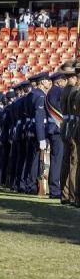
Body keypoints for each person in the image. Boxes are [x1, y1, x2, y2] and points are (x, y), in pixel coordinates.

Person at [46, 70, 68, 198]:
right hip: (57, 129)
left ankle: (54, 188)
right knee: (57, 160)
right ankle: (55, 189)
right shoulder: (58, 91)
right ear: (60, 81)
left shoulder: (50, 92)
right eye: (64, 80)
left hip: (52, 128)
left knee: (55, 159)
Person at [60, 63, 79, 204]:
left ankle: (66, 194)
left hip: (67, 126)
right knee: (74, 163)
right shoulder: (74, 91)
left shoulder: (66, 90)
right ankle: (73, 195)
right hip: (73, 127)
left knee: (67, 161)